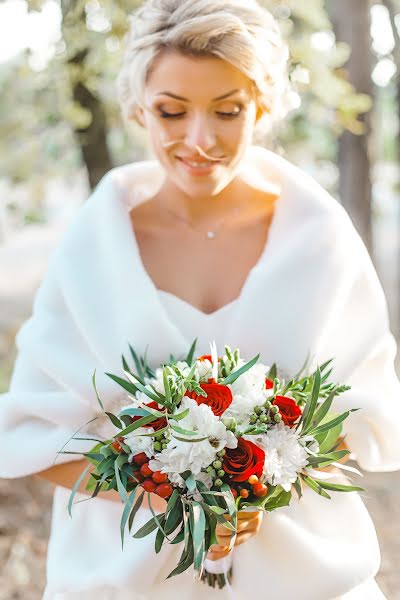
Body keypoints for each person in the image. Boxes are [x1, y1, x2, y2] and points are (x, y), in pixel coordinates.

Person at [0, 1, 399, 598]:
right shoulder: (95, 248)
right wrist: (163, 492)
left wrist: (260, 485)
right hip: (125, 581)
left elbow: (365, 417)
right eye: (172, 111)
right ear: (139, 109)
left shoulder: (318, 237)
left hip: (299, 579)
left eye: (228, 111)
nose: (200, 139)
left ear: (262, 107)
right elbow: (31, 437)